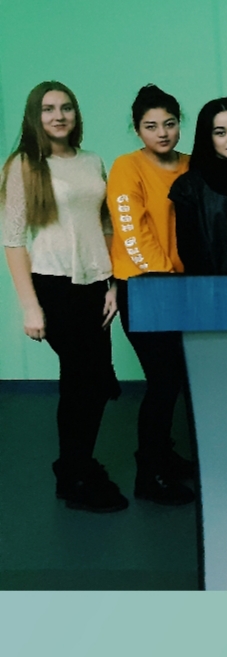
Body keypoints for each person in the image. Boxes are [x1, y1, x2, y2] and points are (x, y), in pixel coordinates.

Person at [1, 81, 126, 512]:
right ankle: (72, 478)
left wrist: (113, 284)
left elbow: (105, 225)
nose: (59, 116)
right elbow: (13, 241)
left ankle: (77, 462)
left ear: (76, 114)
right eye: (49, 109)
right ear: (34, 117)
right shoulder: (24, 165)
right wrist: (30, 307)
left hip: (95, 284)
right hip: (53, 285)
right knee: (82, 382)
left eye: (66, 107)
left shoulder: (92, 161)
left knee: (94, 383)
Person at [106, 83, 195, 505]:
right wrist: (166, 277)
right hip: (144, 287)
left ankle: (164, 454)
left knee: (178, 378)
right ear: (137, 129)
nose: (162, 133)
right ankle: (149, 473)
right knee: (163, 381)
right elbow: (132, 230)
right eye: (151, 126)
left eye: (170, 124)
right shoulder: (127, 167)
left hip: (184, 287)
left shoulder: (192, 165)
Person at [169, 97, 227, 275]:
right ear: (207, 137)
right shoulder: (188, 187)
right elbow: (190, 253)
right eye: (220, 133)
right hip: (212, 287)